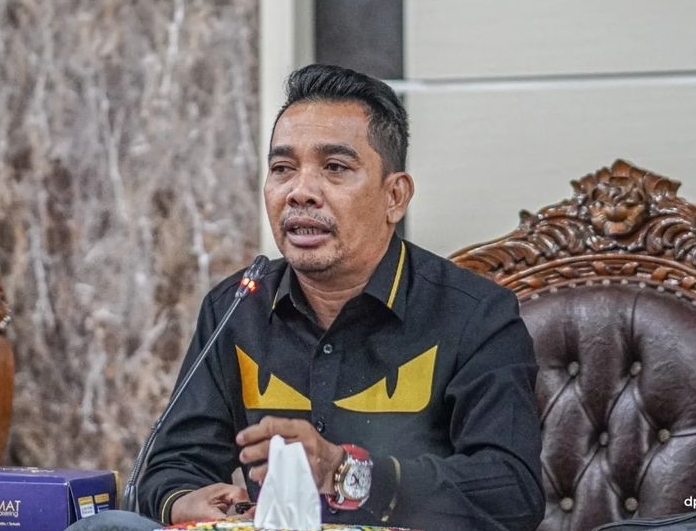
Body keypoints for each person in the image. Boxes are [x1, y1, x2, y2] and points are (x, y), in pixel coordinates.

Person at [67, 63, 545, 531]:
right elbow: (172, 463)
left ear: (395, 197)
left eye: (335, 168)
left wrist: (348, 473)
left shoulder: (476, 315)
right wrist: (186, 500)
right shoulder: (237, 307)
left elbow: (511, 491)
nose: (300, 192)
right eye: (282, 168)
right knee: (104, 527)